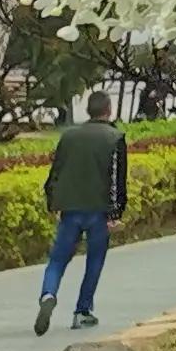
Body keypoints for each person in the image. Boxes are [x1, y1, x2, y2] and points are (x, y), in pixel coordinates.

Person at [34, 90, 129, 336]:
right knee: (94, 261)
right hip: (98, 211)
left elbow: (55, 172)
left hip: (70, 209)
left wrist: (53, 203)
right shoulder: (115, 137)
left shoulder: (69, 137)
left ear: (88, 110)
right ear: (109, 110)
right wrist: (116, 212)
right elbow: (118, 179)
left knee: (57, 259)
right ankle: (82, 311)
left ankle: (48, 294)